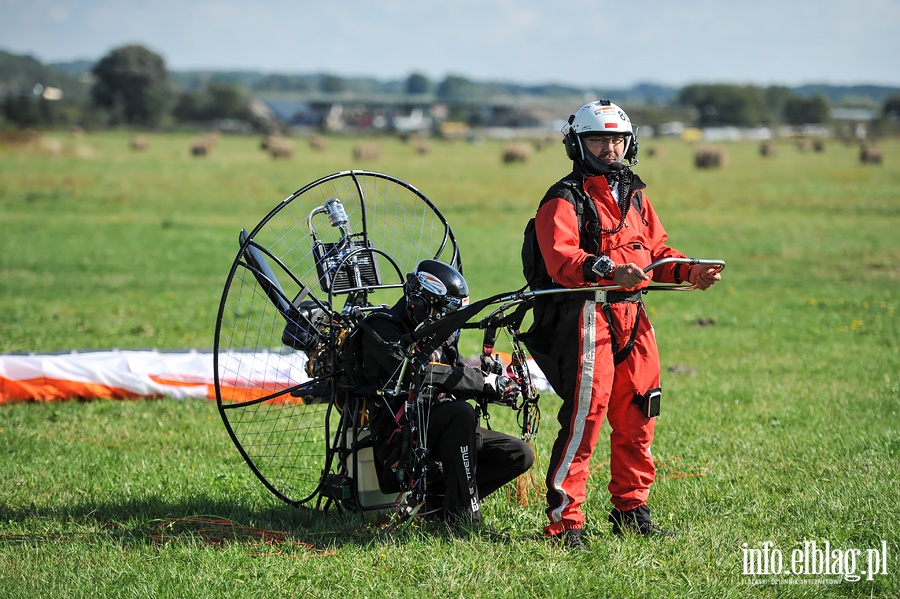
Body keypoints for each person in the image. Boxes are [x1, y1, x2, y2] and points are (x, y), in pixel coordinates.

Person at [526, 100, 721, 550]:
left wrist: (689, 271)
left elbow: (657, 253)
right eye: (598, 139)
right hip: (589, 314)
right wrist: (610, 271)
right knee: (586, 420)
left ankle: (631, 511)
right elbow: (562, 260)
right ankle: (565, 524)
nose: (609, 148)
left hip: (635, 317)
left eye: (617, 139)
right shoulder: (563, 198)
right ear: (578, 144)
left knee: (639, 414)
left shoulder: (636, 194)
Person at [359, 259, 535, 526]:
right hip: (400, 442)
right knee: (460, 413)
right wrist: (483, 383)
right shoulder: (381, 329)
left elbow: (457, 377)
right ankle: (462, 519)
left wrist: (497, 388)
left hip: (442, 431)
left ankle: (438, 506)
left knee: (518, 454)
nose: (449, 323)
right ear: (419, 303)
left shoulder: (441, 334)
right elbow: (418, 372)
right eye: (444, 313)